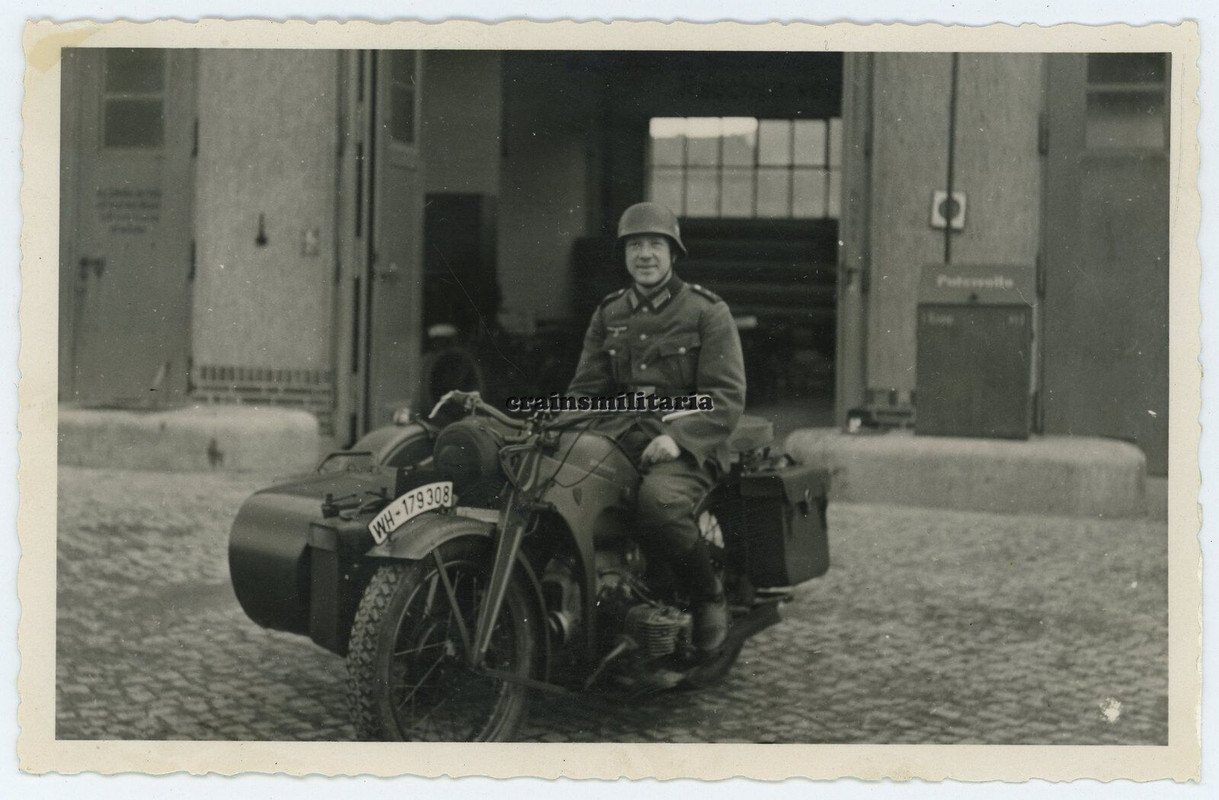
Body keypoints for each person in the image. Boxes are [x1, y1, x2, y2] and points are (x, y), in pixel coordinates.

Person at [566, 201, 746, 652]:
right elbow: (585, 391)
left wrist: (677, 439)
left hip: (690, 444)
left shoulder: (706, 312)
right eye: (635, 246)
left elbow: (725, 398)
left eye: (655, 245)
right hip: (620, 437)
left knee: (659, 503)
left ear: (673, 253)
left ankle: (708, 596)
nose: (644, 255)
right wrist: (558, 428)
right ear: (624, 254)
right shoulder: (609, 313)